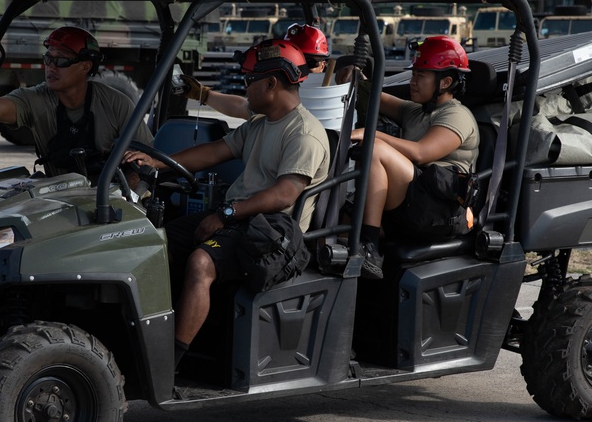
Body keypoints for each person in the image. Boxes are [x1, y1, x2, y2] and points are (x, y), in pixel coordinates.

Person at [125, 38, 330, 368]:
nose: (245, 89)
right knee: (154, 245)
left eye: (249, 82)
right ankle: (144, 337)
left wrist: (226, 213)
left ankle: (168, 364)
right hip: (241, 216)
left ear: (271, 83)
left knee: (201, 263)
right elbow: (213, 152)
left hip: (273, 229)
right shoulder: (260, 125)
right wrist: (157, 162)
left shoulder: (303, 133)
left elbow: (284, 195)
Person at [0, 26, 153, 177]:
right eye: (48, 58)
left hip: (110, 201)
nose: (51, 66)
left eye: (60, 60)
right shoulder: (36, 98)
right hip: (58, 197)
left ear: (85, 66)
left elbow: (147, 161)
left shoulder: (116, 104)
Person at [349, 35, 479, 280]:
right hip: (416, 205)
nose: (413, 82)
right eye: (413, 75)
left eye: (421, 76)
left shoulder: (457, 115)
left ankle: (370, 247)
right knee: (335, 225)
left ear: (445, 82)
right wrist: (354, 78)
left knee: (375, 148)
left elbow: (421, 153)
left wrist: (370, 134)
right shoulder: (416, 112)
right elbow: (372, 96)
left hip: (441, 209)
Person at [175, 23, 331, 120]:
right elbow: (242, 108)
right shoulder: (272, 107)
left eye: (308, 62)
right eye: (293, 60)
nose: (298, 69)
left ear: (323, 66)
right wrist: (202, 94)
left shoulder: (336, 103)